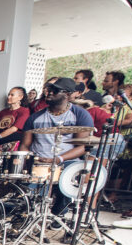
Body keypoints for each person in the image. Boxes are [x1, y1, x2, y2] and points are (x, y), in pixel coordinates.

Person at [20, 78, 93, 217]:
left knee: (69, 175)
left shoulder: (80, 114)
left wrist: (59, 159)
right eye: (48, 89)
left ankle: (59, 213)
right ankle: (30, 214)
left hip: (66, 161)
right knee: (26, 193)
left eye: (55, 90)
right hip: (39, 162)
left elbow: (84, 146)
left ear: (67, 94)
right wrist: (26, 160)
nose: (49, 93)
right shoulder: (35, 117)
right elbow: (25, 144)